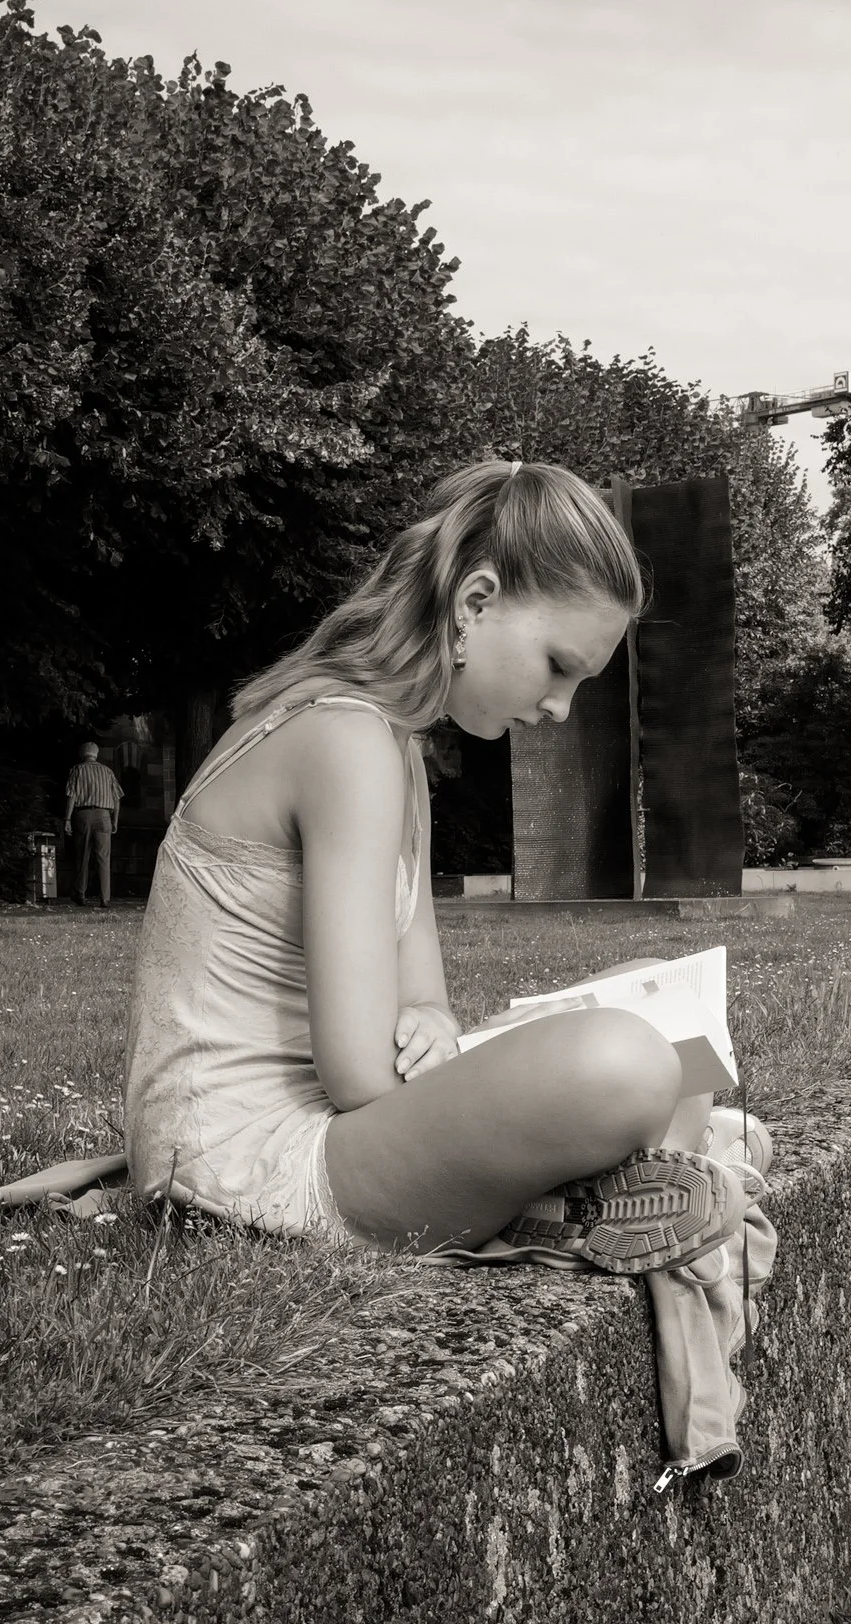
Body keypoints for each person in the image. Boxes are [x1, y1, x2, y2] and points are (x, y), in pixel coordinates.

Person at [123, 459, 752, 1262]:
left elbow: (424, 1001)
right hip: (246, 1166)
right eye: (560, 667)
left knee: (665, 1012)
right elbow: (359, 1075)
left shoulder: (392, 746)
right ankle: (576, 1187)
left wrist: (434, 1024)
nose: (558, 709)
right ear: (475, 603)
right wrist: (471, 1087)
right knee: (624, 1062)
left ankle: (579, 1187)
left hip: (334, 1125)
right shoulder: (346, 741)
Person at [63, 741, 123, 906]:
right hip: (104, 816)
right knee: (104, 858)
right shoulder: (108, 771)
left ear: (82, 754)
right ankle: (105, 898)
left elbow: (72, 796)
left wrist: (67, 819)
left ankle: (80, 894)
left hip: (83, 815)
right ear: (96, 754)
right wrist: (115, 820)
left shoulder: (77, 770)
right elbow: (117, 798)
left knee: (82, 856)